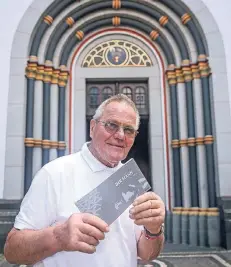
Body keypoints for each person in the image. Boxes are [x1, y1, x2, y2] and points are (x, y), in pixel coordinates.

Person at [4, 94, 165, 267]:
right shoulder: (54, 173)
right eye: (111, 125)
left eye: (129, 130)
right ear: (92, 127)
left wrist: (153, 230)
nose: (120, 135)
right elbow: (12, 251)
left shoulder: (131, 180)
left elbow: (146, 254)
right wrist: (58, 236)